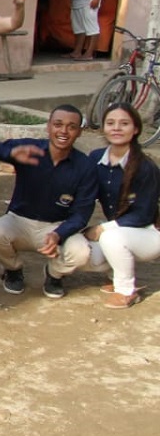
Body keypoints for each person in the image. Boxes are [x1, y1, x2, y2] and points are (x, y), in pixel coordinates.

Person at [0, 105, 97, 299]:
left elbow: (81, 214)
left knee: (81, 252)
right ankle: (13, 269)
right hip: (19, 221)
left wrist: (58, 234)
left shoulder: (85, 166)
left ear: (79, 132)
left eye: (71, 127)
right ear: (48, 127)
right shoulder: (31, 149)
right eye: (58, 124)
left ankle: (54, 275)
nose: (63, 131)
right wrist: (9, 154)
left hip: (57, 226)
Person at [84, 103, 160, 308]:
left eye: (124, 123)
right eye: (111, 123)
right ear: (103, 128)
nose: (116, 128)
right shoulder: (95, 158)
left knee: (110, 236)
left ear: (135, 129)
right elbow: (84, 194)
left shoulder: (145, 166)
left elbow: (143, 215)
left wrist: (102, 228)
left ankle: (126, 290)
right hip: (123, 231)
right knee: (82, 251)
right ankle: (115, 272)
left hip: (149, 233)